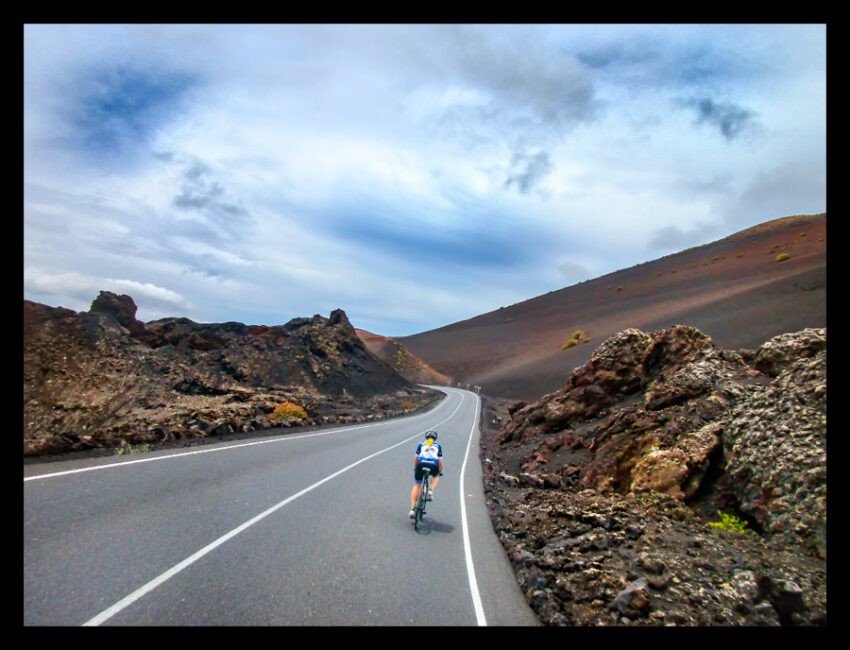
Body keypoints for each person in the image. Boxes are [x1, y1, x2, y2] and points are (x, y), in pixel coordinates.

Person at [409, 430, 443, 519]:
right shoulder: (438, 445)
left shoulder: (421, 444)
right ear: (435, 439)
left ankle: (412, 510)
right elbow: (440, 461)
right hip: (433, 465)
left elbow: (416, 458)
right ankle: (430, 491)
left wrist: (415, 467)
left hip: (421, 464)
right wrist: (440, 471)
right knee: (436, 476)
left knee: (417, 485)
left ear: (426, 438)